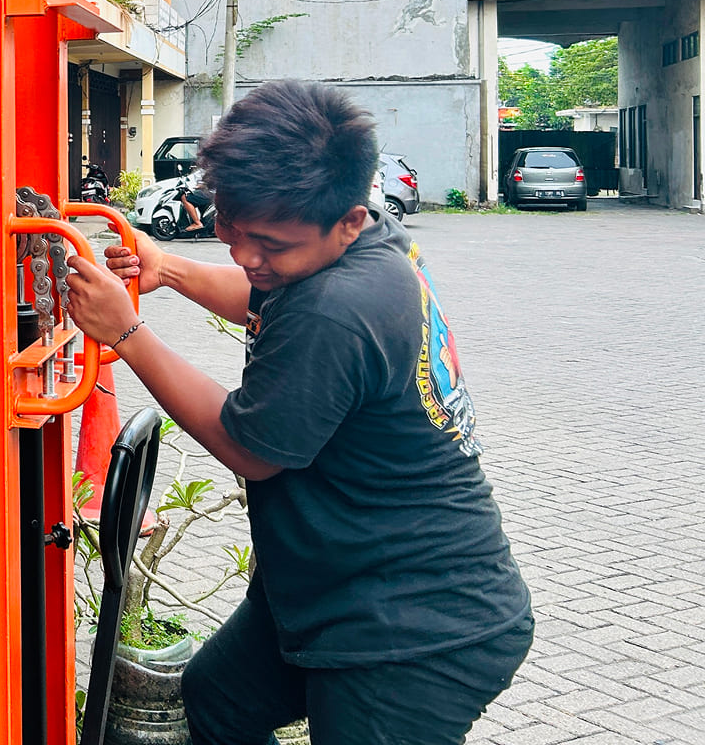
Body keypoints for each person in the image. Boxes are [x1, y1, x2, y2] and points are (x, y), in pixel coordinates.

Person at [66, 80, 531, 745]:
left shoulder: (340, 306)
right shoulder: (360, 242)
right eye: (231, 229)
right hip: (333, 587)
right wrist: (167, 268)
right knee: (218, 703)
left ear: (347, 221)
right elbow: (266, 292)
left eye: (272, 245)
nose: (246, 256)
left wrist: (127, 334)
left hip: (411, 627)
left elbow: (250, 447)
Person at [180, 165, 211, 233]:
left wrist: (194, 187)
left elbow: (203, 185)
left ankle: (197, 223)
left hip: (209, 193)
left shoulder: (207, 169)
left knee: (185, 198)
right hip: (211, 193)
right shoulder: (212, 167)